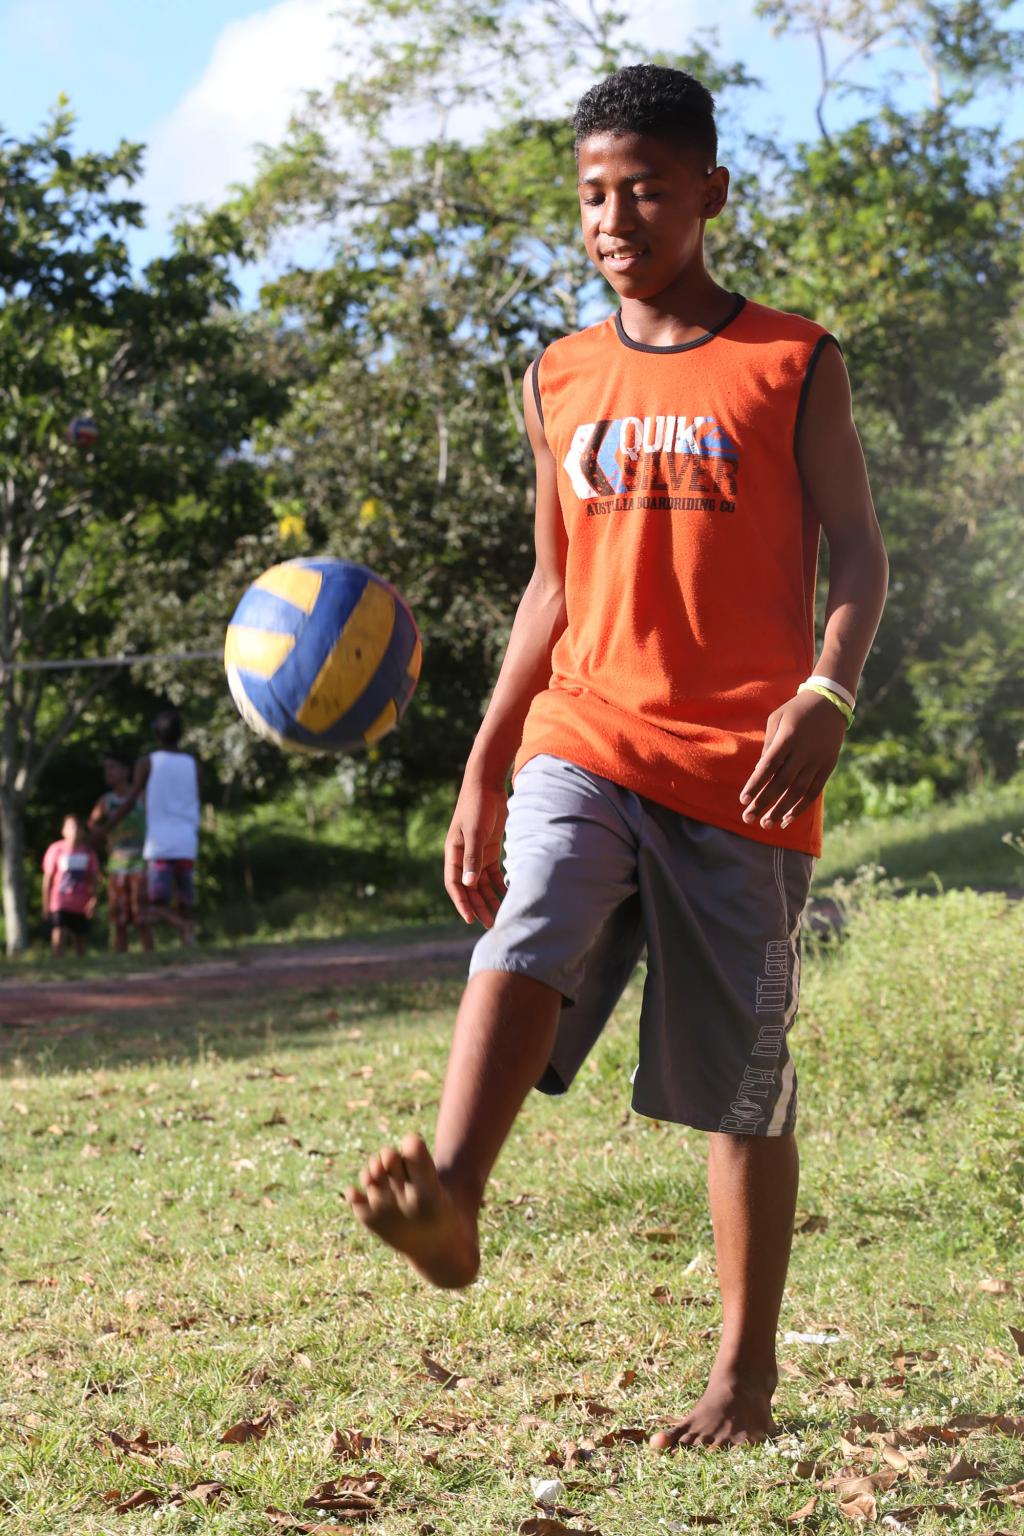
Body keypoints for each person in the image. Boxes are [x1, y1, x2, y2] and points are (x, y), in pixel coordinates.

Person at [345, 64, 889, 1450]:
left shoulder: (793, 360)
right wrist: (485, 764)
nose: (613, 218)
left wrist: (827, 690)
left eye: (643, 190)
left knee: (742, 1084)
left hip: (745, 769)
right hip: (585, 730)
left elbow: (859, 553)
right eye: (592, 194)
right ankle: (454, 1196)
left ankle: (743, 1375)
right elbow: (552, 584)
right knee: (532, 919)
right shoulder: (558, 376)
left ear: (711, 191)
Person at [106, 707, 202, 946]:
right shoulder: (193, 765)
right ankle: (186, 942)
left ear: (156, 735)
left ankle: (183, 927)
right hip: (187, 842)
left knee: (153, 903)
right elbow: (196, 798)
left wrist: (104, 829)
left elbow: (130, 802)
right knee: (185, 901)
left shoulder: (147, 763)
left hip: (160, 845)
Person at [89, 751, 153, 954]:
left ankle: (150, 956)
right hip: (117, 865)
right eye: (106, 768)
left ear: (126, 771)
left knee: (142, 917)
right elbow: (92, 824)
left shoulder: (142, 797)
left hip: (140, 863)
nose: (107, 772)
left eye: (112, 767)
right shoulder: (106, 801)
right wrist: (105, 837)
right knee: (119, 919)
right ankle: (121, 958)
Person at [41, 814, 99, 956]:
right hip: (60, 902)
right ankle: (57, 964)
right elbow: (48, 879)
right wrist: (46, 904)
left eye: (78, 827)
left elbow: (93, 879)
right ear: (63, 831)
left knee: (80, 943)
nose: (75, 830)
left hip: (81, 904)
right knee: (59, 933)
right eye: (71, 827)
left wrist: (93, 900)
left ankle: (79, 967)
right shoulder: (56, 849)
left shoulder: (88, 852)